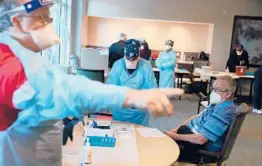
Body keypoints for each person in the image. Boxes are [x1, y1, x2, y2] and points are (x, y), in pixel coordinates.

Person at [0, 1, 184, 165]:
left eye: (49, 19)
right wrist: (130, 95)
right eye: (41, 19)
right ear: (17, 22)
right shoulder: (8, 65)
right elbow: (63, 91)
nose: (49, 26)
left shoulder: (26, 58)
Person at [165, 76, 237, 164]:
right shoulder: (216, 104)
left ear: (228, 94)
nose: (213, 92)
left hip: (202, 152)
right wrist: (175, 130)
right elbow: (195, 117)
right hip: (193, 141)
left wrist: (173, 135)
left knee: (165, 149)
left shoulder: (224, 111)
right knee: (172, 136)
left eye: (216, 90)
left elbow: (201, 139)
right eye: (212, 89)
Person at [107, 39, 157, 126]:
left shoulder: (145, 66)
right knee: (120, 135)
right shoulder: (118, 65)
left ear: (138, 55)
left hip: (139, 113)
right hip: (121, 111)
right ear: (124, 54)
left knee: (139, 136)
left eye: (133, 58)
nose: (130, 61)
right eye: (128, 58)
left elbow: (152, 88)